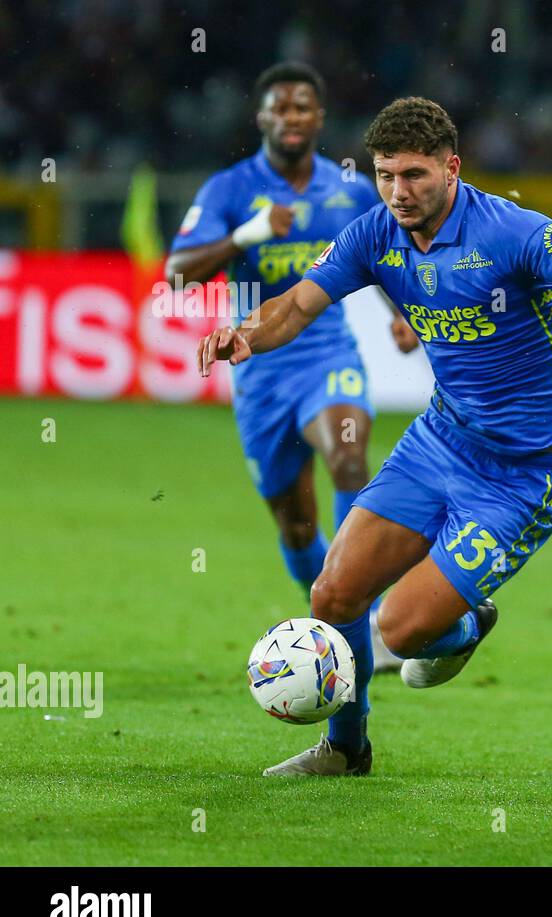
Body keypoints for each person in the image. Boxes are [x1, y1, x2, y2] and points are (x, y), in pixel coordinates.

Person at [198, 97, 552, 777]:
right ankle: (347, 749)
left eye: (414, 175)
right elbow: (298, 303)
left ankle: (468, 624)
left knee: (401, 633)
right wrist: (248, 333)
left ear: (452, 168)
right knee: (333, 597)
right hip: (440, 443)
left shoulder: (511, 232)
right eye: (386, 175)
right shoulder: (372, 234)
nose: (398, 191)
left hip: (524, 474)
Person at [166, 63, 418, 656]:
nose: (292, 118)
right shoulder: (229, 190)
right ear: (262, 119)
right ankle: (336, 612)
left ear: (319, 117)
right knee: (296, 524)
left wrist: (401, 309)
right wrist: (244, 237)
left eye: (302, 107)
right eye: (280, 109)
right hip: (260, 368)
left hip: (329, 353)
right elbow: (176, 274)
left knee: (349, 456)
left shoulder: (352, 189)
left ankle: (370, 618)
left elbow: (383, 254)